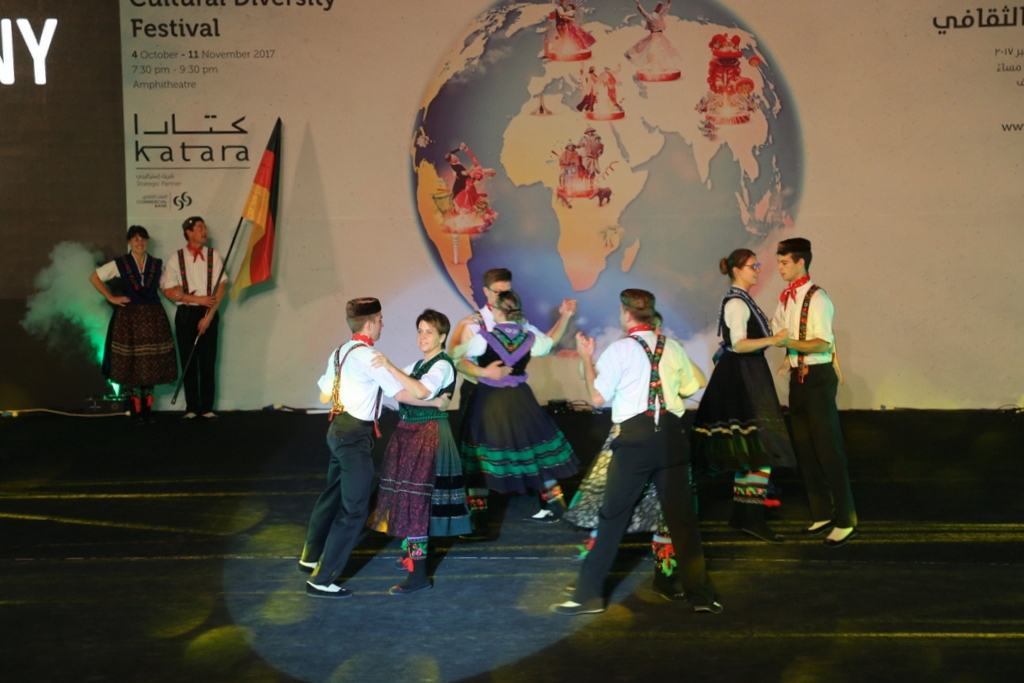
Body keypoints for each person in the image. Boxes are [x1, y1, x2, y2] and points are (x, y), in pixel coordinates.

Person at [553, 289, 720, 615]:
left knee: (612, 517)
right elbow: (689, 387)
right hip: (671, 437)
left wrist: (586, 359)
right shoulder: (672, 347)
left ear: (626, 314)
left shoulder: (620, 350)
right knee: (682, 519)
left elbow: (597, 397)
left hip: (635, 440)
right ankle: (702, 595)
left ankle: (588, 596)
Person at [298, 298, 408, 599]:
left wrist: (350, 391)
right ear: (370, 322)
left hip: (337, 430)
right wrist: (434, 399)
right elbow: (401, 392)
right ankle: (322, 579)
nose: (383, 324)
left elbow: (323, 396)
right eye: (381, 319)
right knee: (355, 509)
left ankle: (310, 556)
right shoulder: (370, 356)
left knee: (332, 494)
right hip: (354, 437)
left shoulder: (340, 352)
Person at [691, 249, 795, 543]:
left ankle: (743, 517)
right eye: (753, 266)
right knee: (761, 447)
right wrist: (773, 340)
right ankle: (751, 518)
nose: (757, 270)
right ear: (738, 270)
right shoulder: (737, 302)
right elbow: (737, 344)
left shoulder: (741, 299)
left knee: (752, 450)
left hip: (746, 373)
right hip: (743, 376)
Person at [366, 309, 471, 594]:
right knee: (409, 498)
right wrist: (435, 401)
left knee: (416, 501)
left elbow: (420, 392)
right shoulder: (417, 365)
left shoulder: (443, 365)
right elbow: (401, 393)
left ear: (442, 336)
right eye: (420, 330)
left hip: (428, 434)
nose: (423, 336)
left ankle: (419, 574)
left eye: (429, 331)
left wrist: (390, 366)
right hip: (409, 432)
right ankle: (413, 555)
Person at [457, 290, 579, 524]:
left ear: (497, 311)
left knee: (479, 454)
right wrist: (564, 317)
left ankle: (477, 516)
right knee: (537, 454)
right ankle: (557, 508)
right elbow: (550, 343)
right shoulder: (529, 336)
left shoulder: (484, 338)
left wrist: (462, 332)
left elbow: (458, 357)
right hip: (520, 400)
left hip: (490, 400)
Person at [771, 238, 857, 547]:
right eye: (778, 262)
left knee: (828, 448)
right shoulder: (786, 298)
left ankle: (846, 519)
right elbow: (777, 329)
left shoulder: (818, 298)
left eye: (783, 262)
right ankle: (821, 512)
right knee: (805, 449)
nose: (779, 268)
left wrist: (788, 343)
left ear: (800, 263)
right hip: (799, 379)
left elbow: (822, 344)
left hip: (818, 378)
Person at [89, 226, 177, 423]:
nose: (140, 242)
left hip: (153, 316)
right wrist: (111, 297)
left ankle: (147, 408)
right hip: (128, 318)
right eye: (135, 239)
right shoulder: (120, 263)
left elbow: (166, 287)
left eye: (143, 239)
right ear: (129, 242)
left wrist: (184, 296)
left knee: (150, 362)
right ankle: (134, 408)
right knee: (129, 361)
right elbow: (94, 277)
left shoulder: (155, 264)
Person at [160, 216, 227, 419]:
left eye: (204, 227)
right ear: (189, 232)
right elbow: (169, 291)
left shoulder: (213, 256)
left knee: (208, 361)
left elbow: (221, 287)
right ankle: (191, 407)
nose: (204, 231)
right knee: (188, 360)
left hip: (209, 312)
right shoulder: (176, 258)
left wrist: (209, 316)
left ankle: (206, 407)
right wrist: (197, 299)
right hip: (186, 314)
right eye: (199, 228)